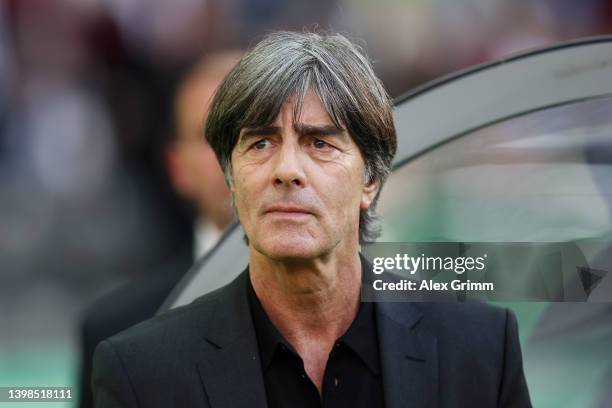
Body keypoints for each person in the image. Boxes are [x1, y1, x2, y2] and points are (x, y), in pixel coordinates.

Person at [92, 31, 532, 407]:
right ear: (231, 177)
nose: (287, 169)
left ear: (371, 180)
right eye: (260, 143)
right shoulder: (141, 374)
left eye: (320, 143)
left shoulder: (480, 349)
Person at [79, 52, 240, 408]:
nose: (235, 151)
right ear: (177, 167)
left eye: (257, 130)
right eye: (212, 134)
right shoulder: (115, 329)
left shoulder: (376, 301)